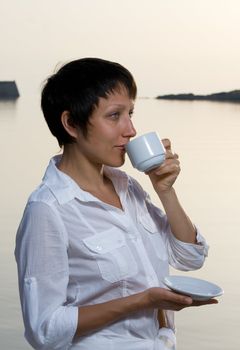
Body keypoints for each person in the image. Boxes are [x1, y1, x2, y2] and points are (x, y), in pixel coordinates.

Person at [15, 58, 217, 350]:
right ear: (71, 124)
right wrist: (142, 301)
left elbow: (189, 257)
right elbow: (45, 330)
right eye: (114, 116)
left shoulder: (128, 187)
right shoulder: (47, 210)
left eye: (131, 113)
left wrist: (165, 191)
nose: (131, 129)